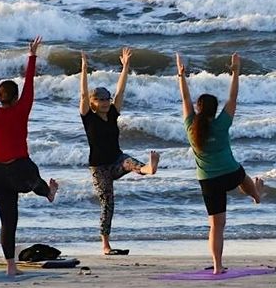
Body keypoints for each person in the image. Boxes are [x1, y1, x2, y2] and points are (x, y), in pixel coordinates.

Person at [176, 52, 264, 274]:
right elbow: (233, 98)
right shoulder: (221, 123)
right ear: (215, 110)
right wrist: (236, 71)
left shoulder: (191, 127)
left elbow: (185, 100)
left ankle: (217, 266)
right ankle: (256, 195)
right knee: (243, 176)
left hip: (208, 181)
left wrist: (181, 75)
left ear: (198, 109)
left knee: (216, 226)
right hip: (230, 173)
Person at [0, 37, 59, 276]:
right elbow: (30, 85)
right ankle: (47, 192)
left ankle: (11, 267)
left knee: (8, 222)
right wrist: (32, 56)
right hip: (19, 169)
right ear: (16, 98)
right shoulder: (22, 109)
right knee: (33, 175)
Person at [80, 48, 159, 256]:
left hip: (116, 160)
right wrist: (84, 69)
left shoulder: (113, 113)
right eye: (101, 100)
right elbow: (83, 94)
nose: (106, 102)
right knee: (107, 204)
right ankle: (106, 245)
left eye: (107, 99)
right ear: (93, 103)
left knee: (130, 162)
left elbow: (120, 92)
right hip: (99, 169)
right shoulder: (88, 117)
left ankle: (149, 169)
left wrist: (125, 67)